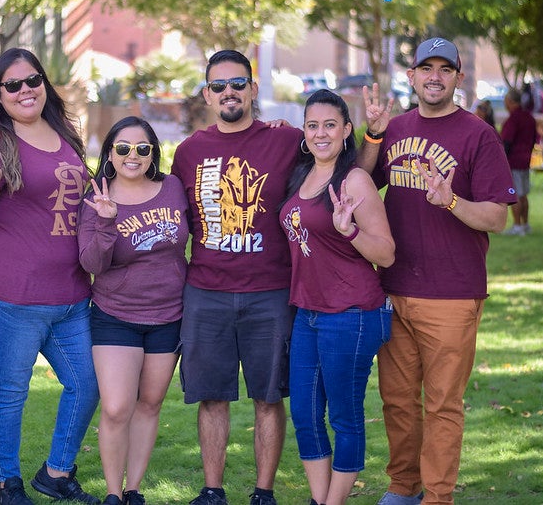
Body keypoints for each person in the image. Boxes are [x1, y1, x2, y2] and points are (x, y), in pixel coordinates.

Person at [357, 37, 517, 505]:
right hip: (393, 286)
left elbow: (497, 217)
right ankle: (404, 487)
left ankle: (438, 497)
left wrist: (450, 200)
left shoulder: (477, 135)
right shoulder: (395, 126)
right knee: (398, 401)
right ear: (411, 76)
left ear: (457, 79)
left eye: (444, 69)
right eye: (425, 68)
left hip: (451, 292)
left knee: (443, 404)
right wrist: (371, 136)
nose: (434, 76)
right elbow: (363, 181)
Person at [0, 47, 100, 505]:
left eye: (32, 80)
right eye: (11, 84)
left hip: (71, 295)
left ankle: (56, 472)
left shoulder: (65, 135)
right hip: (11, 295)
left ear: (44, 84)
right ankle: (7, 483)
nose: (24, 90)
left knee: (87, 383)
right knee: (9, 392)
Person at [170, 49, 304, 505]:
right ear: (208, 94)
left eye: (238, 83)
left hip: (270, 290)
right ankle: (213, 490)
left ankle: (263, 492)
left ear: (253, 87)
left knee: (270, 397)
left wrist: (376, 135)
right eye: (219, 85)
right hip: (205, 291)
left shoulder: (288, 142)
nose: (229, 92)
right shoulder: (189, 152)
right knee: (211, 396)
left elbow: (336, 169)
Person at [280, 90, 395, 505]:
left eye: (330, 124)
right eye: (313, 125)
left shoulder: (355, 180)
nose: (321, 133)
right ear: (304, 132)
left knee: (345, 418)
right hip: (307, 311)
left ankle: (334, 502)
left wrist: (349, 230)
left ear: (347, 131)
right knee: (306, 416)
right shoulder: (301, 174)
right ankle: (319, 498)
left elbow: (386, 252)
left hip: (351, 313)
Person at [78, 116, 189, 505]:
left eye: (142, 148)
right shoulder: (97, 198)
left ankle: (134, 489)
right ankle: (112, 492)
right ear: (110, 153)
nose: (132, 156)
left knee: (149, 404)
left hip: (169, 315)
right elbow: (92, 263)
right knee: (116, 407)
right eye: (123, 148)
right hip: (115, 315)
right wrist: (107, 222)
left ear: (153, 153)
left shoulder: (172, 187)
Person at [501, 88, 537, 235]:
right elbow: (535, 139)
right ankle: (526, 224)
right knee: (523, 194)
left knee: (515, 195)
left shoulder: (513, 119)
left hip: (514, 161)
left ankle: (517, 226)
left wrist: (501, 160)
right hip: (526, 160)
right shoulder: (530, 117)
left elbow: (506, 142)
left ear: (510, 101)